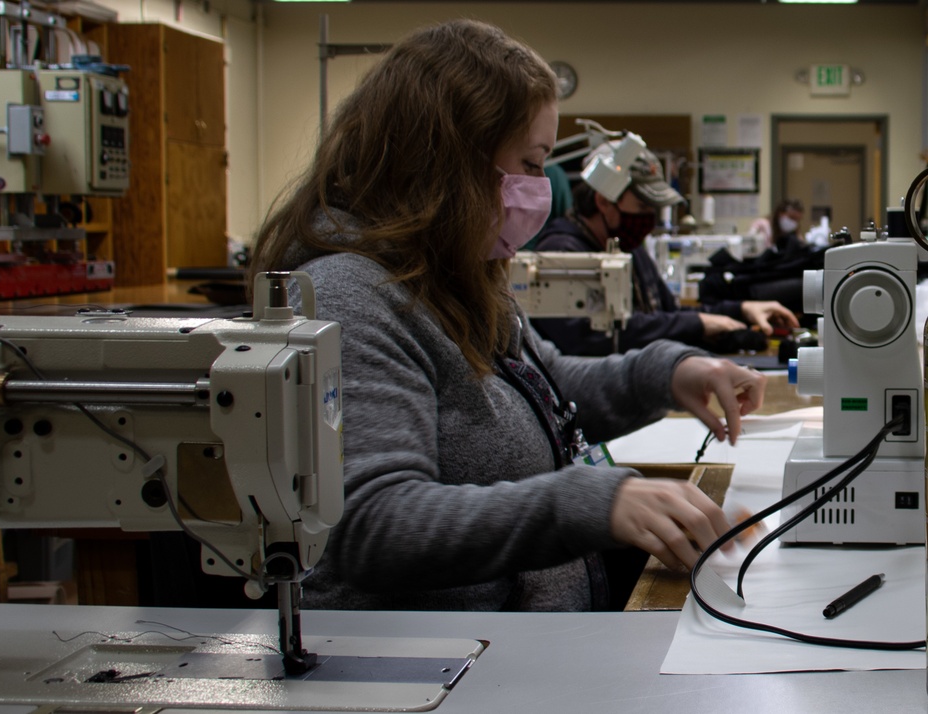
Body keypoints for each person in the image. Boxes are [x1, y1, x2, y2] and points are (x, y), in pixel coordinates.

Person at [248, 19, 767, 613]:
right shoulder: (348, 295)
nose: (538, 187)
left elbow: (544, 385)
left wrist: (668, 373)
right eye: (527, 162)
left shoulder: (452, 275)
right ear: (448, 163)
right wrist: (586, 503)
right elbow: (372, 523)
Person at [531, 142, 799, 357]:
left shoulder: (628, 249)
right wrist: (698, 324)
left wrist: (741, 309)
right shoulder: (562, 254)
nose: (649, 219)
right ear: (603, 201)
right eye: (643, 208)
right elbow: (591, 339)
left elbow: (666, 316)